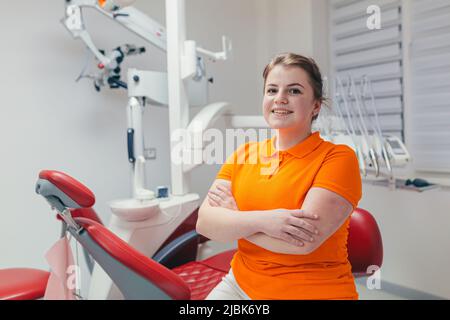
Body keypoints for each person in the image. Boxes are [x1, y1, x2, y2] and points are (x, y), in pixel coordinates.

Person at [196, 53, 362, 300]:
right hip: (239, 284)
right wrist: (266, 221)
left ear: (316, 105)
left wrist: (236, 219)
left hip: (310, 291)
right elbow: (206, 224)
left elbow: (302, 242)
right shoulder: (244, 154)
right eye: (272, 90)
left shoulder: (337, 158)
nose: (280, 99)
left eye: (294, 91)